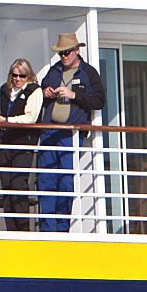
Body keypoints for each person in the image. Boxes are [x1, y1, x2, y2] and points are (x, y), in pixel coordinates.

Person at [37, 34, 106, 232]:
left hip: (70, 134)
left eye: (67, 52)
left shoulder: (88, 73)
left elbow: (99, 101)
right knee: (46, 178)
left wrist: (74, 95)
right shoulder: (54, 70)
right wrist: (45, 92)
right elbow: (41, 89)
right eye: (60, 53)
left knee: (66, 181)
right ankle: (47, 227)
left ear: (77, 50)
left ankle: (62, 226)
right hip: (49, 132)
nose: (63, 56)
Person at [0, 59, 42, 231]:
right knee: (7, 185)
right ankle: (10, 229)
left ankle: (23, 229)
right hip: (5, 142)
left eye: (22, 76)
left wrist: (7, 120)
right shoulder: (5, 89)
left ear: (29, 75)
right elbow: (4, 111)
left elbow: (31, 118)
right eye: (15, 75)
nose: (18, 79)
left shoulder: (35, 90)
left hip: (23, 143)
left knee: (19, 184)